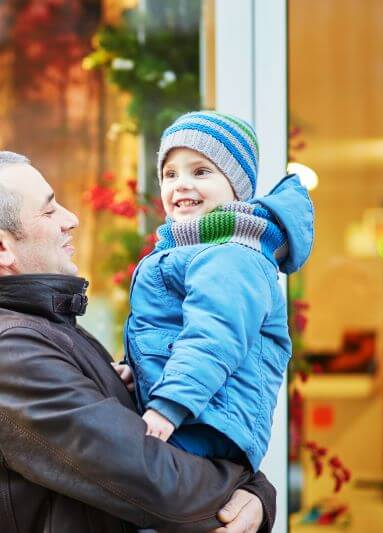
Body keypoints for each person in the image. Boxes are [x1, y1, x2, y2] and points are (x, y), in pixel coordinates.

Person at [0, 151, 277, 532]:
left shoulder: (44, 327)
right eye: (49, 212)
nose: (71, 219)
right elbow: (158, 481)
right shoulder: (12, 353)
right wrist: (254, 488)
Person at [115, 111, 314, 473]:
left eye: (201, 171)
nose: (181, 184)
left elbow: (214, 337)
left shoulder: (233, 255)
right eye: (170, 174)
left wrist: (167, 405)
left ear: (237, 186)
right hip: (194, 411)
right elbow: (170, 329)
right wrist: (136, 369)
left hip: (207, 422)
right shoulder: (194, 248)